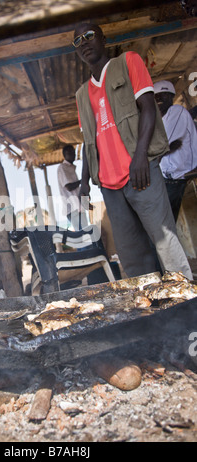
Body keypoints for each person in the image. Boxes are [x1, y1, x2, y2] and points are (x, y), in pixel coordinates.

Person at [73, 22, 192, 279]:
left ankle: (188, 305)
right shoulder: (82, 95)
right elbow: (88, 142)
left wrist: (140, 157)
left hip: (140, 171)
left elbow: (148, 108)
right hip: (109, 185)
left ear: (103, 38)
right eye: (78, 40)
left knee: (165, 241)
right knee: (131, 254)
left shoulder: (128, 62)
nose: (83, 42)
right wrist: (84, 182)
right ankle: (154, 308)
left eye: (89, 36)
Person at [154, 80, 197, 221]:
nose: (160, 99)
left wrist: (159, 152)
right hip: (168, 177)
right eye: (157, 97)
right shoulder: (159, 120)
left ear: (171, 97)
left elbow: (164, 146)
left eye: (164, 96)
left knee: (166, 223)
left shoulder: (176, 111)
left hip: (179, 174)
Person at [57, 144, 88, 230]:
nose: (72, 154)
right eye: (69, 152)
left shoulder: (71, 168)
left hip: (79, 207)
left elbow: (76, 191)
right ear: (64, 155)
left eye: (73, 152)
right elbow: (69, 187)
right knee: (82, 235)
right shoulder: (62, 168)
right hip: (72, 209)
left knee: (85, 234)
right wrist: (82, 180)